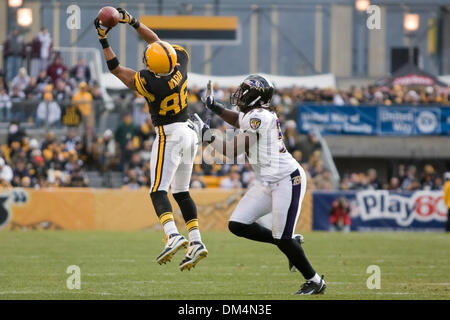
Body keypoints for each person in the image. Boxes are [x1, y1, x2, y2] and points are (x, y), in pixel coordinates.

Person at [190, 75, 326, 295]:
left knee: (282, 237)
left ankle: (315, 281)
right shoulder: (253, 115)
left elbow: (234, 150)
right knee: (238, 224)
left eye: (245, 90)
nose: (240, 93)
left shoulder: (260, 117)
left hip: (287, 179)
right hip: (267, 181)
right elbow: (238, 120)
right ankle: (291, 244)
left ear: (255, 95)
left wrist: (207, 136)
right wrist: (216, 107)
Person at [94, 8, 207, 270]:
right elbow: (155, 42)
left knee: (157, 190)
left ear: (153, 69)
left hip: (170, 135)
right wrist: (132, 21)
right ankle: (196, 240)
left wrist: (103, 39)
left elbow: (115, 69)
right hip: (190, 133)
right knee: (181, 192)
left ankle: (172, 234)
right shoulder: (181, 59)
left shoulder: (150, 83)